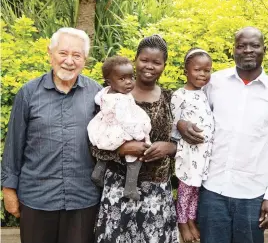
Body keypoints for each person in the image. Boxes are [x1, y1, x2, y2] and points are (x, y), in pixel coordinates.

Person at [177, 26, 268, 243]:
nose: (248, 50)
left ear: (264, 49)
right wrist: (181, 124)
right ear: (233, 50)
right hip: (212, 190)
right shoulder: (214, 83)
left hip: (253, 195)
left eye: (254, 45)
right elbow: (189, 109)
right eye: (241, 45)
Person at [1, 28, 102, 243]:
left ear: (85, 59)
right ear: (50, 53)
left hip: (83, 197)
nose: (69, 61)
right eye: (62, 53)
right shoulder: (28, 93)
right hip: (37, 196)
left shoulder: (97, 94)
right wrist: (9, 190)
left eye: (76, 55)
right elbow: (13, 146)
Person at [91, 35, 179, 243]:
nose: (149, 66)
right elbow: (94, 140)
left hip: (156, 194)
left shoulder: (171, 98)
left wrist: (171, 148)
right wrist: (121, 149)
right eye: (144, 60)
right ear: (135, 60)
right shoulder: (111, 98)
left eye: (156, 62)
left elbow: (187, 144)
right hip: (118, 189)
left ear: (164, 66)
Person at [87, 56, 152, 201]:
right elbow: (126, 121)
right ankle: (130, 187)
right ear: (109, 81)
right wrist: (139, 136)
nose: (129, 82)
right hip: (119, 130)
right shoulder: (121, 100)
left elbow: (98, 99)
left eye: (131, 77)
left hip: (105, 128)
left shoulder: (105, 92)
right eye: (122, 79)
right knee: (136, 153)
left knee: (105, 151)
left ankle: (98, 172)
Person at [171, 48, 214, 242]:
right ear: (186, 71)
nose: (203, 74)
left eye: (207, 70)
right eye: (198, 70)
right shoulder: (180, 94)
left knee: (196, 189)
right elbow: (173, 122)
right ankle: (182, 222)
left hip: (204, 154)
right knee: (186, 188)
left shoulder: (205, 93)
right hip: (189, 152)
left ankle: (190, 219)